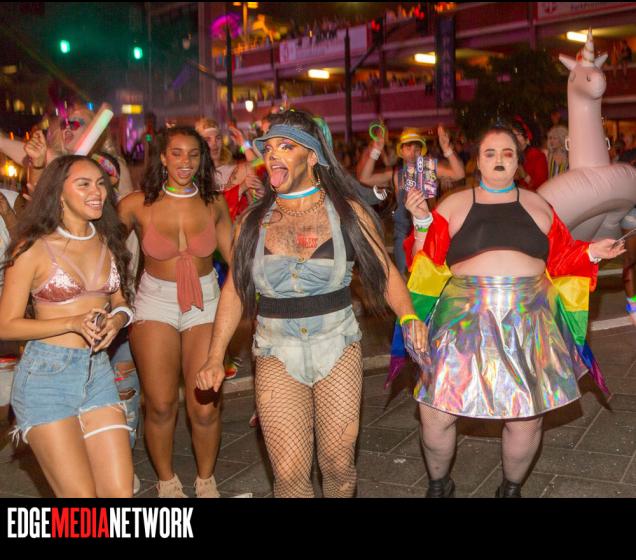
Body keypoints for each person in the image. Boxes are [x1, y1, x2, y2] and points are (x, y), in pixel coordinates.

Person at [195, 109, 426, 498]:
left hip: (336, 346)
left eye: (286, 146)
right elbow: (234, 290)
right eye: (269, 147)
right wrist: (215, 356)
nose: (273, 154)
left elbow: (386, 274)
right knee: (288, 475)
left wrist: (408, 317)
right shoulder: (252, 220)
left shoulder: (348, 213)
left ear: (313, 156)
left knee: (338, 467)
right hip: (275, 351)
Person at [397, 125, 624, 498]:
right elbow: (423, 263)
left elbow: (563, 257)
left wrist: (593, 252)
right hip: (461, 318)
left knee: (526, 417)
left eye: (507, 153)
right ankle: (439, 484)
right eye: (490, 153)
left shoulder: (539, 205)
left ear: (518, 162)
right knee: (436, 411)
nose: (499, 159)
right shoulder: (454, 204)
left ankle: (510, 489)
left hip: (529, 317)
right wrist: (422, 220)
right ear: (478, 161)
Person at [0, 155, 135, 497]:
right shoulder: (32, 247)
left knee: (119, 494)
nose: (97, 192)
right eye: (84, 184)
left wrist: (118, 320)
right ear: (58, 193)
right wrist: (72, 322)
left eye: (100, 184)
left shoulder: (107, 240)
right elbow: (5, 326)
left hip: (97, 372)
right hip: (46, 378)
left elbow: (121, 301)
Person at [118, 126, 232, 498]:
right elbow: (103, 252)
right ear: (164, 158)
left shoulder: (214, 203)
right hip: (155, 303)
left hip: (206, 302)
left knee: (205, 407)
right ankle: (166, 480)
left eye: (193, 154)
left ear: (202, 160)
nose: (186, 162)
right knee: (161, 404)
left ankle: (206, 478)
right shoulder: (136, 204)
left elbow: (237, 260)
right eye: (177, 153)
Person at [357, 126, 465, 275]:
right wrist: (376, 151)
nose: (413, 152)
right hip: (402, 235)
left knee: (428, 276)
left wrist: (447, 149)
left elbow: (459, 174)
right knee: (404, 276)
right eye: (408, 148)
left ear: (422, 151)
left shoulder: (429, 169)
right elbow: (364, 178)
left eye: (417, 148)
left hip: (429, 232)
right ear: (401, 151)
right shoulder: (396, 174)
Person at [25, 105, 134, 196]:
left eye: (74, 124)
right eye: (64, 124)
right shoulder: (57, 162)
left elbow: (129, 206)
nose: (67, 128)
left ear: (92, 129)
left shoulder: (110, 166)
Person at [194, 118, 263, 221]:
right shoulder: (194, 176)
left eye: (217, 138)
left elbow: (261, 168)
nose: (214, 143)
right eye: (208, 139)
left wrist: (244, 144)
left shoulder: (240, 169)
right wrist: (240, 188)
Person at [511, 118, 548, 191]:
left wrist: (525, 176)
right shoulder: (510, 155)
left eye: (517, 134)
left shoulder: (537, 156)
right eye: (512, 135)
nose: (514, 138)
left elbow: (541, 187)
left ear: (526, 137)